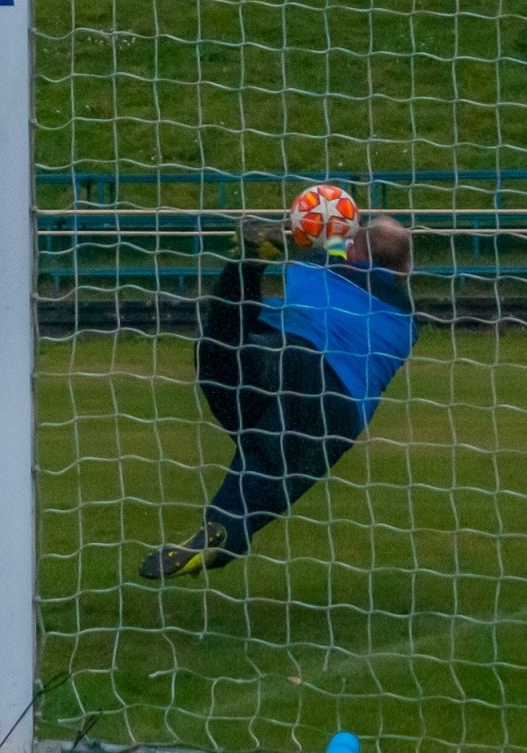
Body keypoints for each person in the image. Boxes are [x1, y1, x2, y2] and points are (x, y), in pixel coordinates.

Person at [139, 210, 418, 580]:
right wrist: (343, 239)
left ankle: (247, 266)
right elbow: (350, 256)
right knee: (269, 465)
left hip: (266, 359)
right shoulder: (405, 322)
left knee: (221, 344)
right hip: (332, 401)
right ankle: (223, 530)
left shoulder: (312, 271)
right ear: (406, 269)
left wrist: (320, 229)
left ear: (353, 250)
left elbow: (333, 250)